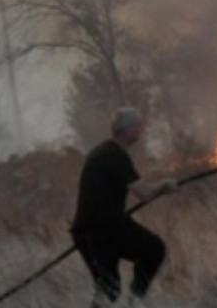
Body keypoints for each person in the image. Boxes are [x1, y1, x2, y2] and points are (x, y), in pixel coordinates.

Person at [70, 107, 178, 307]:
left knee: (108, 290)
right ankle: (136, 301)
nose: (142, 130)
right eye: (138, 125)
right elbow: (144, 193)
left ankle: (134, 301)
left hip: (88, 230)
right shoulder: (114, 155)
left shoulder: (103, 151)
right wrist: (164, 185)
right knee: (154, 250)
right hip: (104, 230)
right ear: (127, 129)